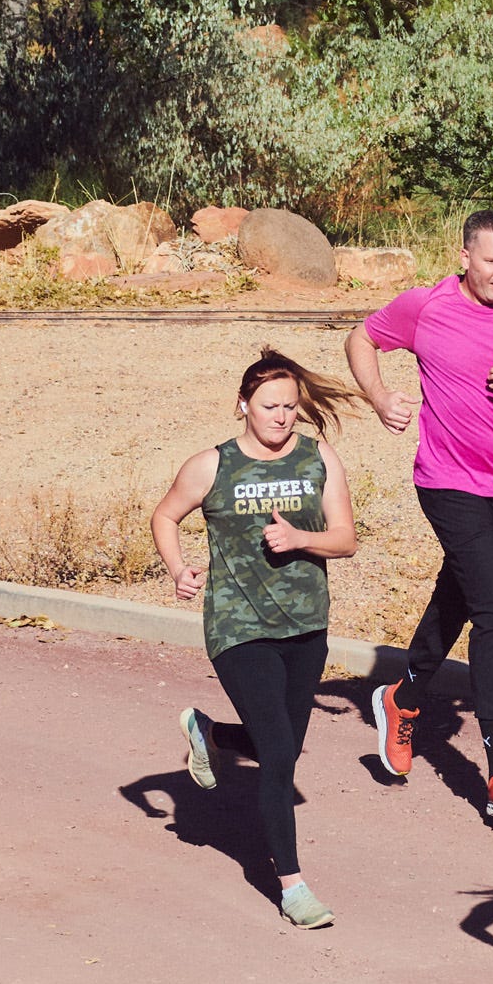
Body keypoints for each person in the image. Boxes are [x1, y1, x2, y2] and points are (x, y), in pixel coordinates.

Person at [344, 210, 493, 822]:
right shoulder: (427, 306)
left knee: (458, 597)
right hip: (445, 482)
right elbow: (361, 338)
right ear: (466, 257)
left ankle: (403, 698)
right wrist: (378, 396)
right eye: (490, 260)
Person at [151, 348, 359, 928]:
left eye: (291, 406)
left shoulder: (319, 459)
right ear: (243, 405)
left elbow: (345, 538)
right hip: (238, 625)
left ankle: (210, 732)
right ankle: (292, 885)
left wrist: (301, 540)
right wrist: (178, 568)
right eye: (270, 405)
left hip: (306, 626)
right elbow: (165, 516)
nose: (282, 416)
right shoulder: (212, 466)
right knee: (278, 762)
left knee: (282, 747)